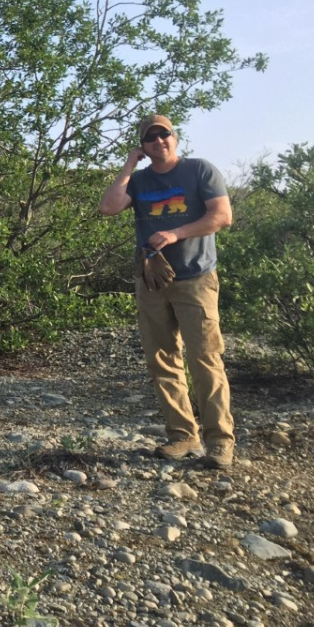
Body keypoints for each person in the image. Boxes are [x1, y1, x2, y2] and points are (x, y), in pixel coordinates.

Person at [99, 114, 236, 468]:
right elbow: (109, 207)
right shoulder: (140, 180)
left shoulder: (199, 170)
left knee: (205, 358)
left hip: (195, 278)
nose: (159, 141)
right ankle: (182, 437)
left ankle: (220, 441)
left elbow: (221, 217)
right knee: (162, 360)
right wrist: (130, 163)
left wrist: (176, 233)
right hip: (152, 281)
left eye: (165, 135)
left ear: (175, 138)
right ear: (143, 145)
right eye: (151, 138)